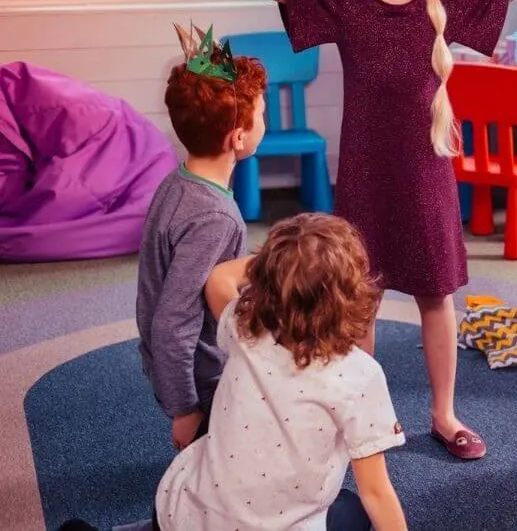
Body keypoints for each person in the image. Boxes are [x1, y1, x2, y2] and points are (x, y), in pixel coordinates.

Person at [145, 0, 517, 461]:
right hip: (363, 171)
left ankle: (445, 414)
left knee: (438, 296)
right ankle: (362, 414)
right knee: (360, 297)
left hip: (426, 171)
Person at [154, 213, 408, 530]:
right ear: (350, 296)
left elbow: (219, 278)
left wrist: (283, 261)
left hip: (186, 514)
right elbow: (376, 493)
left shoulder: (246, 328)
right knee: (352, 510)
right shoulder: (360, 376)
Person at [136, 23, 267, 452]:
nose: (265, 120)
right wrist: (185, 408)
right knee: (215, 473)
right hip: (200, 378)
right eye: (262, 114)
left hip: (179, 366)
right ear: (238, 137)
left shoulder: (178, 182)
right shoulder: (216, 217)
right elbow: (174, 321)